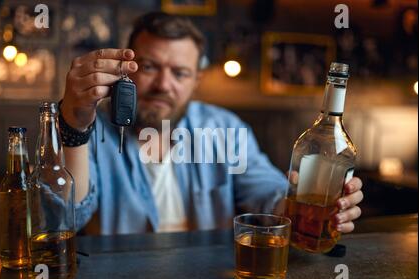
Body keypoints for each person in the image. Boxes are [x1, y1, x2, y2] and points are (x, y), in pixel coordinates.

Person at [59, 12, 363, 235]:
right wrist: (74, 125)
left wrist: (299, 208)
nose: (164, 84)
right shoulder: (90, 130)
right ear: (127, 71)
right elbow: (63, 219)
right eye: (150, 67)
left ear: (196, 80)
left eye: (179, 73)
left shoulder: (224, 128)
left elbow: (266, 189)